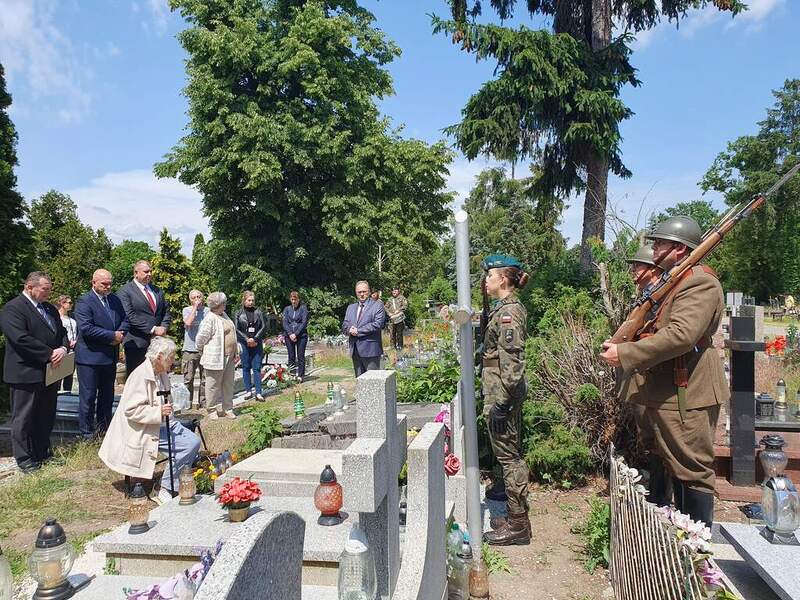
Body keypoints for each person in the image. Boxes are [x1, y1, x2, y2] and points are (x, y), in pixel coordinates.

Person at [600, 216, 728, 527]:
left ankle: (695, 552)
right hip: (666, 390)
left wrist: (627, 352)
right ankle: (666, 534)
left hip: (688, 390)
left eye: (660, 243)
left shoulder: (700, 281)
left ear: (680, 250)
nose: (653, 248)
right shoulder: (673, 282)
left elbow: (682, 335)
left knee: (690, 470)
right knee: (662, 460)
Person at [98, 336, 201, 504]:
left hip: (165, 423)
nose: (173, 361)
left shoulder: (161, 373)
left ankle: (174, 479)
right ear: (159, 357)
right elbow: (131, 410)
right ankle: (164, 488)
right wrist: (158, 411)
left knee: (194, 442)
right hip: (144, 429)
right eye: (170, 357)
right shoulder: (140, 376)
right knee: (187, 447)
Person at [479, 255, 531, 546]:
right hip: (500, 391)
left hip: (503, 394)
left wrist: (502, 402)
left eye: (490, 276)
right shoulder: (503, 309)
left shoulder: (510, 312)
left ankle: (518, 524)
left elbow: (512, 362)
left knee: (510, 459)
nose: (486, 281)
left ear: (503, 279)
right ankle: (514, 516)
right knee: (507, 455)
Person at [0, 272, 69, 473]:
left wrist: (63, 349)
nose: (49, 293)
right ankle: (25, 458)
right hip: (25, 372)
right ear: (30, 287)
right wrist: (49, 354)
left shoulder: (49, 308)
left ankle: (42, 452)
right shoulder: (13, 308)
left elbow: (62, 333)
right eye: (45, 289)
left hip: (49, 372)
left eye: (49, 288)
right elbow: (20, 339)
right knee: (24, 418)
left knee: (45, 415)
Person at [622, 243, 672, 507]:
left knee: (659, 435)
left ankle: (663, 496)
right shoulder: (645, 294)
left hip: (653, 375)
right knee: (647, 435)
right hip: (640, 374)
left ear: (652, 271)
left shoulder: (661, 296)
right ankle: (655, 490)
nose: (633, 271)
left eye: (638, 266)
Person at [74, 269, 130, 440]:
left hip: (109, 357)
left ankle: (104, 431)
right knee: (88, 398)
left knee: (107, 397)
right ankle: (87, 435)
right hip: (90, 358)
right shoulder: (84, 301)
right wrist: (111, 336)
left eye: (110, 283)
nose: (108, 287)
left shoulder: (114, 300)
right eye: (104, 284)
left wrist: (120, 333)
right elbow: (86, 328)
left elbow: (126, 319)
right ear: (94, 283)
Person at [118, 260, 171, 377]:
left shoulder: (157, 290)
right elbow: (129, 315)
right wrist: (152, 329)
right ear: (136, 273)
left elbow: (166, 311)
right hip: (136, 344)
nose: (150, 274)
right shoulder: (125, 291)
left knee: (157, 379)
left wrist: (164, 327)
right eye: (146, 272)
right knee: (137, 381)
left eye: (151, 271)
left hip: (157, 344)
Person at [196, 292, 239, 418]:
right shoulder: (209, 318)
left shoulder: (224, 315)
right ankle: (212, 410)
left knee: (228, 384)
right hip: (215, 358)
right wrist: (203, 351)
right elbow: (200, 339)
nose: (225, 305)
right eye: (224, 303)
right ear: (218, 305)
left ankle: (228, 408)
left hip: (229, 357)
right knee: (212, 385)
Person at [342, 280, 386, 377]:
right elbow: (345, 324)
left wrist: (358, 331)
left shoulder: (377, 306)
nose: (362, 294)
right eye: (359, 292)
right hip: (355, 350)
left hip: (371, 350)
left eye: (364, 291)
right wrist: (349, 329)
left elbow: (378, 324)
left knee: (373, 381)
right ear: (356, 293)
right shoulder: (350, 307)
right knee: (359, 381)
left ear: (369, 291)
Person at [234, 291, 266, 401]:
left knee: (257, 367)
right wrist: (247, 339)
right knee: (246, 367)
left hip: (256, 343)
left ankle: (258, 392)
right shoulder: (238, 313)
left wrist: (255, 338)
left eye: (252, 300)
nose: (251, 302)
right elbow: (236, 329)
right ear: (244, 300)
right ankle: (248, 391)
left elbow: (263, 326)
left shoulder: (258, 312)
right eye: (249, 300)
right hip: (244, 343)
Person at [181, 290, 206, 408]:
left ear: (202, 298)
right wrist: (195, 308)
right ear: (190, 300)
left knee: (205, 378)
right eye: (193, 297)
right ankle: (188, 403)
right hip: (190, 349)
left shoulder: (208, 311)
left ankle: (204, 402)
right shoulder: (186, 310)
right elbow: (188, 323)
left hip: (204, 349)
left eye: (198, 297)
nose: (196, 299)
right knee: (188, 378)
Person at [282, 291, 309, 381]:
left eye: (295, 299)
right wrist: (290, 333)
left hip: (301, 336)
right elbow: (285, 322)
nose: (294, 301)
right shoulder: (287, 309)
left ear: (298, 299)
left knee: (300, 356)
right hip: (289, 336)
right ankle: (292, 374)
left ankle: (300, 375)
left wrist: (296, 333)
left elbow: (304, 322)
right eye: (292, 299)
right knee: (291, 356)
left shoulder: (303, 309)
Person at [56, 295, 77, 392]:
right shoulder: (56, 318)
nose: (71, 304)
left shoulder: (72, 318)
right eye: (69, 302)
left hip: (72, 351)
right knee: (58, 377)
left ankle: (68, 395)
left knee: (69, 376)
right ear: (62, 303)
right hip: (61, 350)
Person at [384, 287, 407, 351]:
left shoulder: (402, 298)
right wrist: (389, 313)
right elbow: (385, 307)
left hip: (399, 318)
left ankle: (400, 346)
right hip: (392, 318)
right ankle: (392, 346)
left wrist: (399, 310)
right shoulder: (390, 299)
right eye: (393, 291)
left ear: (398, 291)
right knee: (392, 333)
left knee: (399, 333)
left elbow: (405, 306)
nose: (394, 292)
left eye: (395, 291)